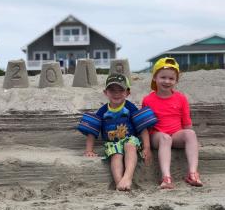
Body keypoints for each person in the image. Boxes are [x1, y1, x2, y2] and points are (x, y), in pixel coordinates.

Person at [80, 74, 152, 191]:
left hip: (130, 140)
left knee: (129, 146)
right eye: (112, 90)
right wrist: (89, 150)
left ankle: (127, 177)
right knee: (116, 155)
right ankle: (119, 183)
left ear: (127, 93)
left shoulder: (130, 107)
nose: (116, 93)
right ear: (105, 92)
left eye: (120, 90)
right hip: (112, 143)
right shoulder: (102, 111)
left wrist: (147, 147)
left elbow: (142, 127)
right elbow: (92, 131)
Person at [142, 57, 203, 189]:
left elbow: (186, 122)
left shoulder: (181, 98)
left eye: (171, 78)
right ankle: (166, 177)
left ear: (176, 80)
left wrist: (193, 141)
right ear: (154, 78)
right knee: (165, 137)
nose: (167, 81)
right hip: (157, 136)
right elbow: (145, 127)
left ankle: (192, 173)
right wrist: (146, 147)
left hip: (175, 135)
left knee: (191, 133)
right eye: (163, 77)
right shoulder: (148, 100)